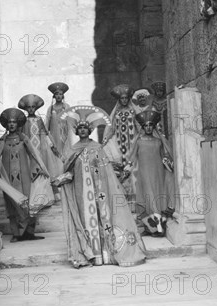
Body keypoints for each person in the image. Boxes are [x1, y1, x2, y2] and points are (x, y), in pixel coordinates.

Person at [51, 105, 146, 268]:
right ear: (76, 131)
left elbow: (107, 170)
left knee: (104, 219)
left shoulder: (98, 149)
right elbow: (71, 172)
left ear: (90, 131)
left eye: (85, 128)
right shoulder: (73, 151)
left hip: (101, 192)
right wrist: (63, 178)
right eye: (80, 128)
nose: (82, 131)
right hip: (82, 194)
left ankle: (107, 254)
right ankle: (91, 255)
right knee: (87, 222)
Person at [0, 108, 49, 242]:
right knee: (12, 204)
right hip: (8, 180)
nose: (11, 125)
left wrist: (37, 168)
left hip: (25, 177)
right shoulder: (2, 141)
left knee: (29, 203)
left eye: (14, 122)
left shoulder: (24, 139)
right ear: (6, 125)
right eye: (9, 122)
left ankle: (29, 233)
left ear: (18, 124)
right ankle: (16, 234)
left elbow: (34, 155)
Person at [125, 109, 175, 235]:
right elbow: (131, 157)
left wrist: (168, 163)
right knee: (147, 197)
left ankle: (156, 228)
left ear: (153, 126)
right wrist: (127, 168)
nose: (148, 127)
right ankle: (154, 228)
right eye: (145, 125)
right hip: (144, 174)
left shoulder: (159, 141)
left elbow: (165, 156)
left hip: (158, 173)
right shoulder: (139, 141)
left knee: (157, 197)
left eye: (150, 125)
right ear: (143, 127)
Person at [18, 93, 64, 201]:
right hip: (29, 150)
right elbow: (21, 135)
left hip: (41, 149)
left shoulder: (39, 120)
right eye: (28, 107)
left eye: (33, 107)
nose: (31, 109)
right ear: (25, 109)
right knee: (31, 171)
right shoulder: (24, 121)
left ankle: (45, 195)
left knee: (43, 170)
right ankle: (32, 195)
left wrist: (52, 147)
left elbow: (45, 133)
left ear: (36, 108)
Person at [103, 84, 140, 197]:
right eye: (122, 98)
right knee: (119, 164)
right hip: (119, 141)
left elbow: (138, 125)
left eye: (126, 98)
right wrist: (105, 140)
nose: (124, 100)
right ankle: (122, 193)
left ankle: (135, 193)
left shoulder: (133, 111)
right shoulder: (116, 113)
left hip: (132, 141)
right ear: (119, 100)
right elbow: (111, 128)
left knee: (132, 165)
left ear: (129, 99)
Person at [45, 82, 72, 157]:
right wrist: (47, 137)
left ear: (63, 96)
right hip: (54, 136)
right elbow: (46, 124)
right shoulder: (50, 109)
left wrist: (70, 136)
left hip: (65, 136)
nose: (58, 96)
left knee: (66, 155)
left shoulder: (67, 107)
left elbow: (71, 122)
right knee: (55, 155)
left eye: (60, 94)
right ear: (54, 96)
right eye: (57, 94)